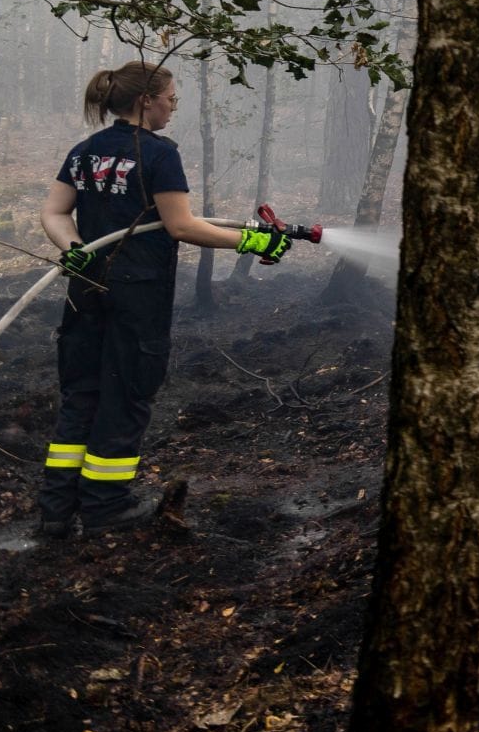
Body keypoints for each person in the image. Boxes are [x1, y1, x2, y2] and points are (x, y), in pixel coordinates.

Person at [37, 61, 292, 537]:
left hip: (86, 290)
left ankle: (56, 511)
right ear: (145, 101)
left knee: (82, 392)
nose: (174, 106)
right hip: (138, 295)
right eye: (171, 98)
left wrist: (73, 249)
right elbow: (180, 225)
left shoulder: (85, 151)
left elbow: (54, 212)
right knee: (127, 392)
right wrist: (254, 242)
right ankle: (105, 505)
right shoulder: (157, 155)